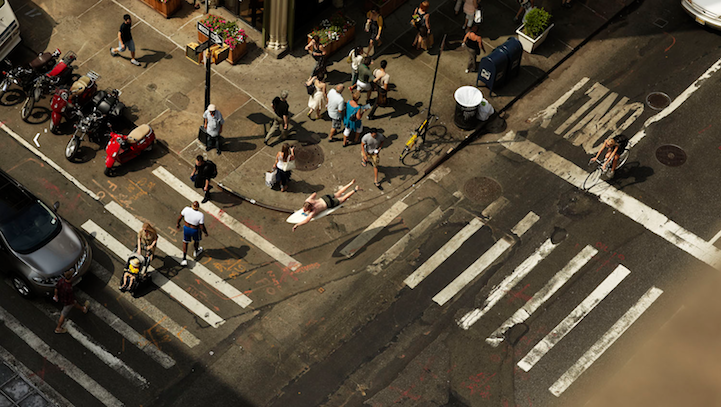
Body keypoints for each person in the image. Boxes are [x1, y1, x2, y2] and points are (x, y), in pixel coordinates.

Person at [293, 180, 361, 231]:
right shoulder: (308, 200)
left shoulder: (313, 212)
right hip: (325, 197)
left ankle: (355, 189)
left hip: (328, 203)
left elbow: (307, 220)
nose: (304, 210)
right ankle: (351, 183)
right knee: (338, 193)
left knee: (343, 199)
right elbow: (314, 194)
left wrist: (297, 225)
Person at [53, 268, 89, 334]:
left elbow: (56, 288)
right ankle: (58, 328)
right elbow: (70, 299)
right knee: (63, 314)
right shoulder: (69, 288)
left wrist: (55, 295)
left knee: (75, 303)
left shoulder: (61, 281)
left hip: (61, 298)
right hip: (67, 302)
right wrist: (72, 301)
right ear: (71, 277)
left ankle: (83, 309)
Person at [176, 201, 208, 266]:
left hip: (186, 228)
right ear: (198, 207)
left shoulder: (186, 209)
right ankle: (196, 251)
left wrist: (177, 224)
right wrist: (205, 232)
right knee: (196, 240)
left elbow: (180, 217)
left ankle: (184, 259)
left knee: (185, 242)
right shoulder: (200, 215)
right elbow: (201, 226)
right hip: (195, 230)